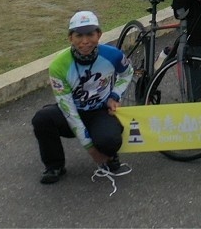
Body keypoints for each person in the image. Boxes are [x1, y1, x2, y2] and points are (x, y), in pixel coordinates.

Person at [31, 10, 132, 184]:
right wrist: (91, 149)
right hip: (72, 111)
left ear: (99, 35)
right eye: (78, 36)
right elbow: (68, 109)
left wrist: (114, 95)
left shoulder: (113, 54)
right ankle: (54, 166)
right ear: (70, 38)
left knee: (110, 140)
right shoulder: (58, 66)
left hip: (99, 111)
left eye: (90, 34)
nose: (85, 41)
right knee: (42, 119)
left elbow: (127, 72)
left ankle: (109, 155)